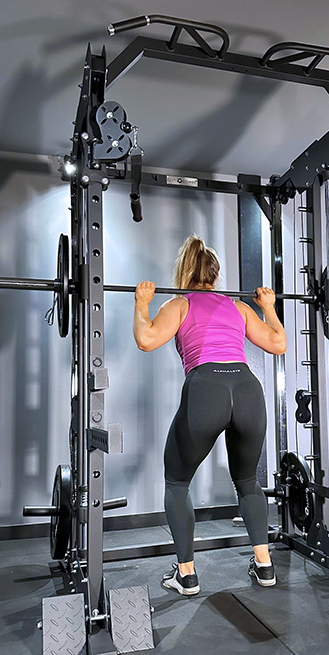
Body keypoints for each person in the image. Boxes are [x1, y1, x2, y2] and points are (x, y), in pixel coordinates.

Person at [133, 235, 286, 596]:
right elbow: (278, 343)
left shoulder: (179, 304)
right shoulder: (239, 308)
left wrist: (142, 305)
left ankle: (186, 574)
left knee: (177, 481)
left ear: (183, 271)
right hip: (248, 389)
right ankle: (264, 565)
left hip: (207, 389)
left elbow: (147, 339)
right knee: (247, 480)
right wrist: (268, 306)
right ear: (215, 275)